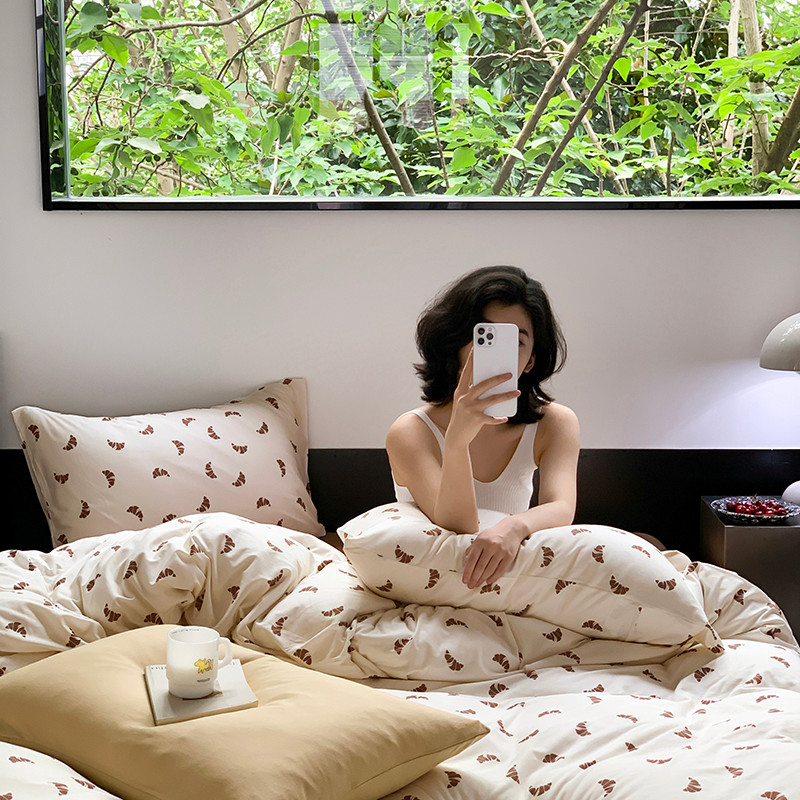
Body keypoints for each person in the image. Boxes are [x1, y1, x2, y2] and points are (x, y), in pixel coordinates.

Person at [386, 265, 580, 591]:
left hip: (511, 585)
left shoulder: (554, 423)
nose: (498, 355)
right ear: (457, 343)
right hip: (434, 583)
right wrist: (456, 442)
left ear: (531, 360)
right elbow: (458, 527)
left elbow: (561, 506)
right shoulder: (411, 431)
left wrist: (515, 527)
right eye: (486, 337)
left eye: (516, 342)